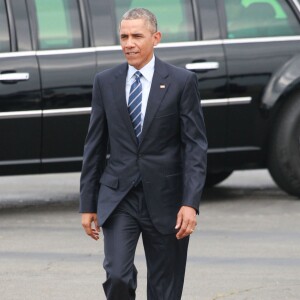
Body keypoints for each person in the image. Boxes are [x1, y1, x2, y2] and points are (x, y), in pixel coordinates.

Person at [80, 7, 207, 300]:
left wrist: (190, 203)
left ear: (156, 38)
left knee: (165, 288)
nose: (129, 43)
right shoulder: (105, 82)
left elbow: (194, 146)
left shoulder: (181, 82)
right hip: (119, 196)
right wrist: (88, 204)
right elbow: (94, 146)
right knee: (118, 277)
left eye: (137, 35)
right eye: (123, 36)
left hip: (167, 199)